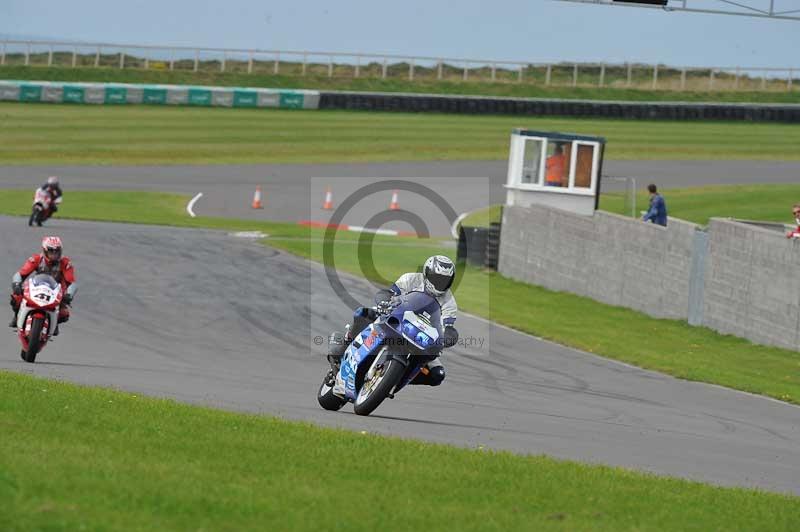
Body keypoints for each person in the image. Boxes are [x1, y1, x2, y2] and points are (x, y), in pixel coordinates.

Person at [327, 255, 459, 394]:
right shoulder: (411, 279)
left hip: (421, 338)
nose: (440, 283)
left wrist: (447, 337)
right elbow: (389, 293)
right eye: (437, 278)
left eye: (445, 280)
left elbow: (447, 327)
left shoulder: (449, 302)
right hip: (395, 318)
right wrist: (384, 302)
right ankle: (344, 346)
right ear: (427, 273)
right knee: (364, 313)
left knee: (437, 374)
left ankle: (394, 378)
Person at [9, 236, 77, 336]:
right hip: (37, 288)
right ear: (45, 250)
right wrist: (16, 284)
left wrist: (69, 295)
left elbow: (71, 282)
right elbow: (20, 274)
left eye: (57, 251)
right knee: (16, 298)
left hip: (56, 292)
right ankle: (17, 317)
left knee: (64, 314)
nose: (54, 254)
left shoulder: (66, 263)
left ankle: (54, 323)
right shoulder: (36, 259)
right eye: (51, 251)